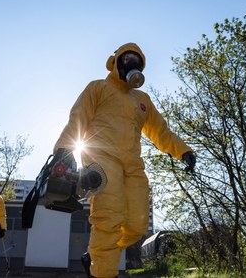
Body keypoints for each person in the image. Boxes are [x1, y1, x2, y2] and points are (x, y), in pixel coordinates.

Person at [53, 42, 196, 278]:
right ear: (117, 61)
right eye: (128, 58)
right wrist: (63, 151)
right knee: (109, 218)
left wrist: (183, 151)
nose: (133, 62)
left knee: (137, 226)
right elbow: (77, 120)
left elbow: (161, 132)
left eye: (137, 60)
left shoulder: (143, 100)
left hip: (133, 166)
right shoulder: (98, 88)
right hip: (102, 160)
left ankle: (95, 255)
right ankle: (102, 271)